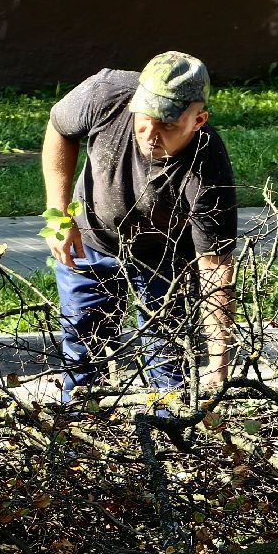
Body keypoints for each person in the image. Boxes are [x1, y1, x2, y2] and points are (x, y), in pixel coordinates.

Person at [41, 50, 236, 405]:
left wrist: (217, 363)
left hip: (165, 257)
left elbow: (214, 265)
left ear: (199, 121)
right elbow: (59, 128)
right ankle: (80, 431)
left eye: (167, 125)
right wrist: (58, 216)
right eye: (144, 121)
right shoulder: (105, 95)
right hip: (92, 239)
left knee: (170, 358)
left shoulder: (209, 166)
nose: (150, 135)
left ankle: (167, 437)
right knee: (84, 350)